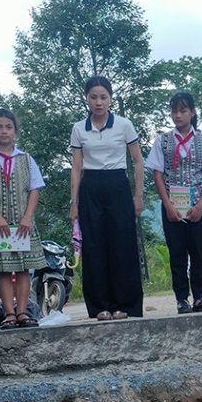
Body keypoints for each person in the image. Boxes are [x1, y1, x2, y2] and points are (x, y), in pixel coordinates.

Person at [69, 76, 145, 321]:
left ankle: (125, 304)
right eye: (93, 97)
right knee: (94, 246)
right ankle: (100, 306)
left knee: (122, 244)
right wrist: (74, 203)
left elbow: (138, 160)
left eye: (103, 97)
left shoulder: (124, 125)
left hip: (118, 185)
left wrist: (138, 196)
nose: (98, 102)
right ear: (87, 99)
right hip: (90, 187)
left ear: (110, 98)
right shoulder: (79, 128)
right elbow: (77, 166)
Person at [144, 91, 202, 314]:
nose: (177, 115)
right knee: (176, 252)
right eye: (174, 110)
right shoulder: (163, 141)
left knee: (197, 252)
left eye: (183, 110)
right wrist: (168, 205)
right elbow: (158, 174)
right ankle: (181, 299)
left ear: (192, 112)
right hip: (172, 206)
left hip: (198, 204)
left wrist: (200, 206)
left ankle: (199, 297)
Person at [0, 108, 45, 328]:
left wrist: (28, 217)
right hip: (0, 226)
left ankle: (23, 312)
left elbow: (34, 189)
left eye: (8, 127)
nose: (4, 131)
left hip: (23, 224)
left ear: (15, 130)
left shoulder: (25, 159)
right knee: (4, 269)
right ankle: (9, 314)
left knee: (23, 268)